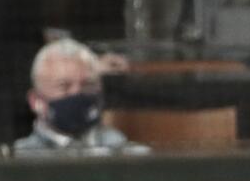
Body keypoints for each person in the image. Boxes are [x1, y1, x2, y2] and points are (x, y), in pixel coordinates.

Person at [14, 38, 149, 157]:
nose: (77, 93)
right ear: (35, 101)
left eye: (87, 85)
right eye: (64, 87)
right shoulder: (19, 160)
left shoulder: (125, 155)